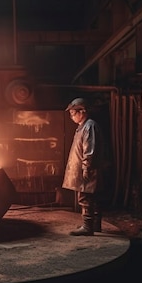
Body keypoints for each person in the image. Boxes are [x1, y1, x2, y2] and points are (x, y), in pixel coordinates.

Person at [62, 98, 103, 236]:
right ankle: (95, 225)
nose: (71, 116)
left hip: (88, 169)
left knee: (85, 197)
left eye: (73, 113)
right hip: (87, 168)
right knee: (93, 197)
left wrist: (86, 168)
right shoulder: (83, 126)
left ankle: (88, 226)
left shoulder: (89, 126)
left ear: (82, 111)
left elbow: (89, 150)